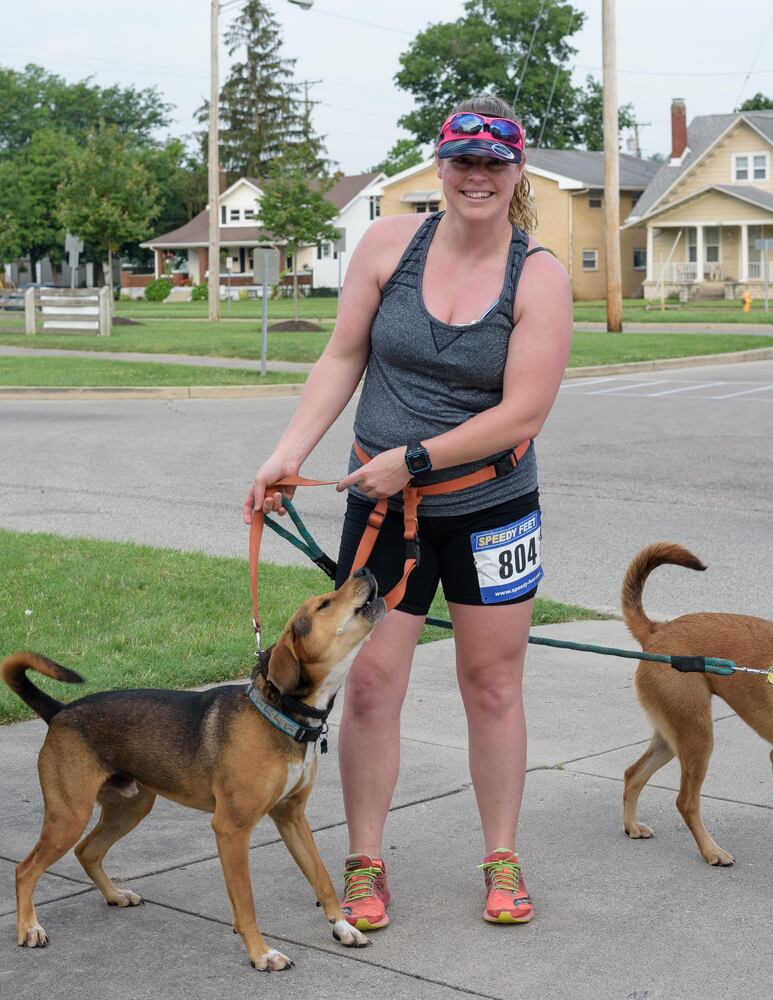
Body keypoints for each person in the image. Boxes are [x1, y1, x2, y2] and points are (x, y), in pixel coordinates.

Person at [243, 95, 571, 929]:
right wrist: (289, 452)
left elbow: (522, 415)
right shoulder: (390, 244)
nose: (477, 176)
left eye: (495, 163)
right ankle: (364, 863)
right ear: (440, 164)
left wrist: (415, 460)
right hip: (384, 512)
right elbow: (343, 353)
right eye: (463, 160)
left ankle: (501, 856)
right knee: (373, 686)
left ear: (516, 171)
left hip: (490, 510)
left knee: (492, 685)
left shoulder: (539, 276)